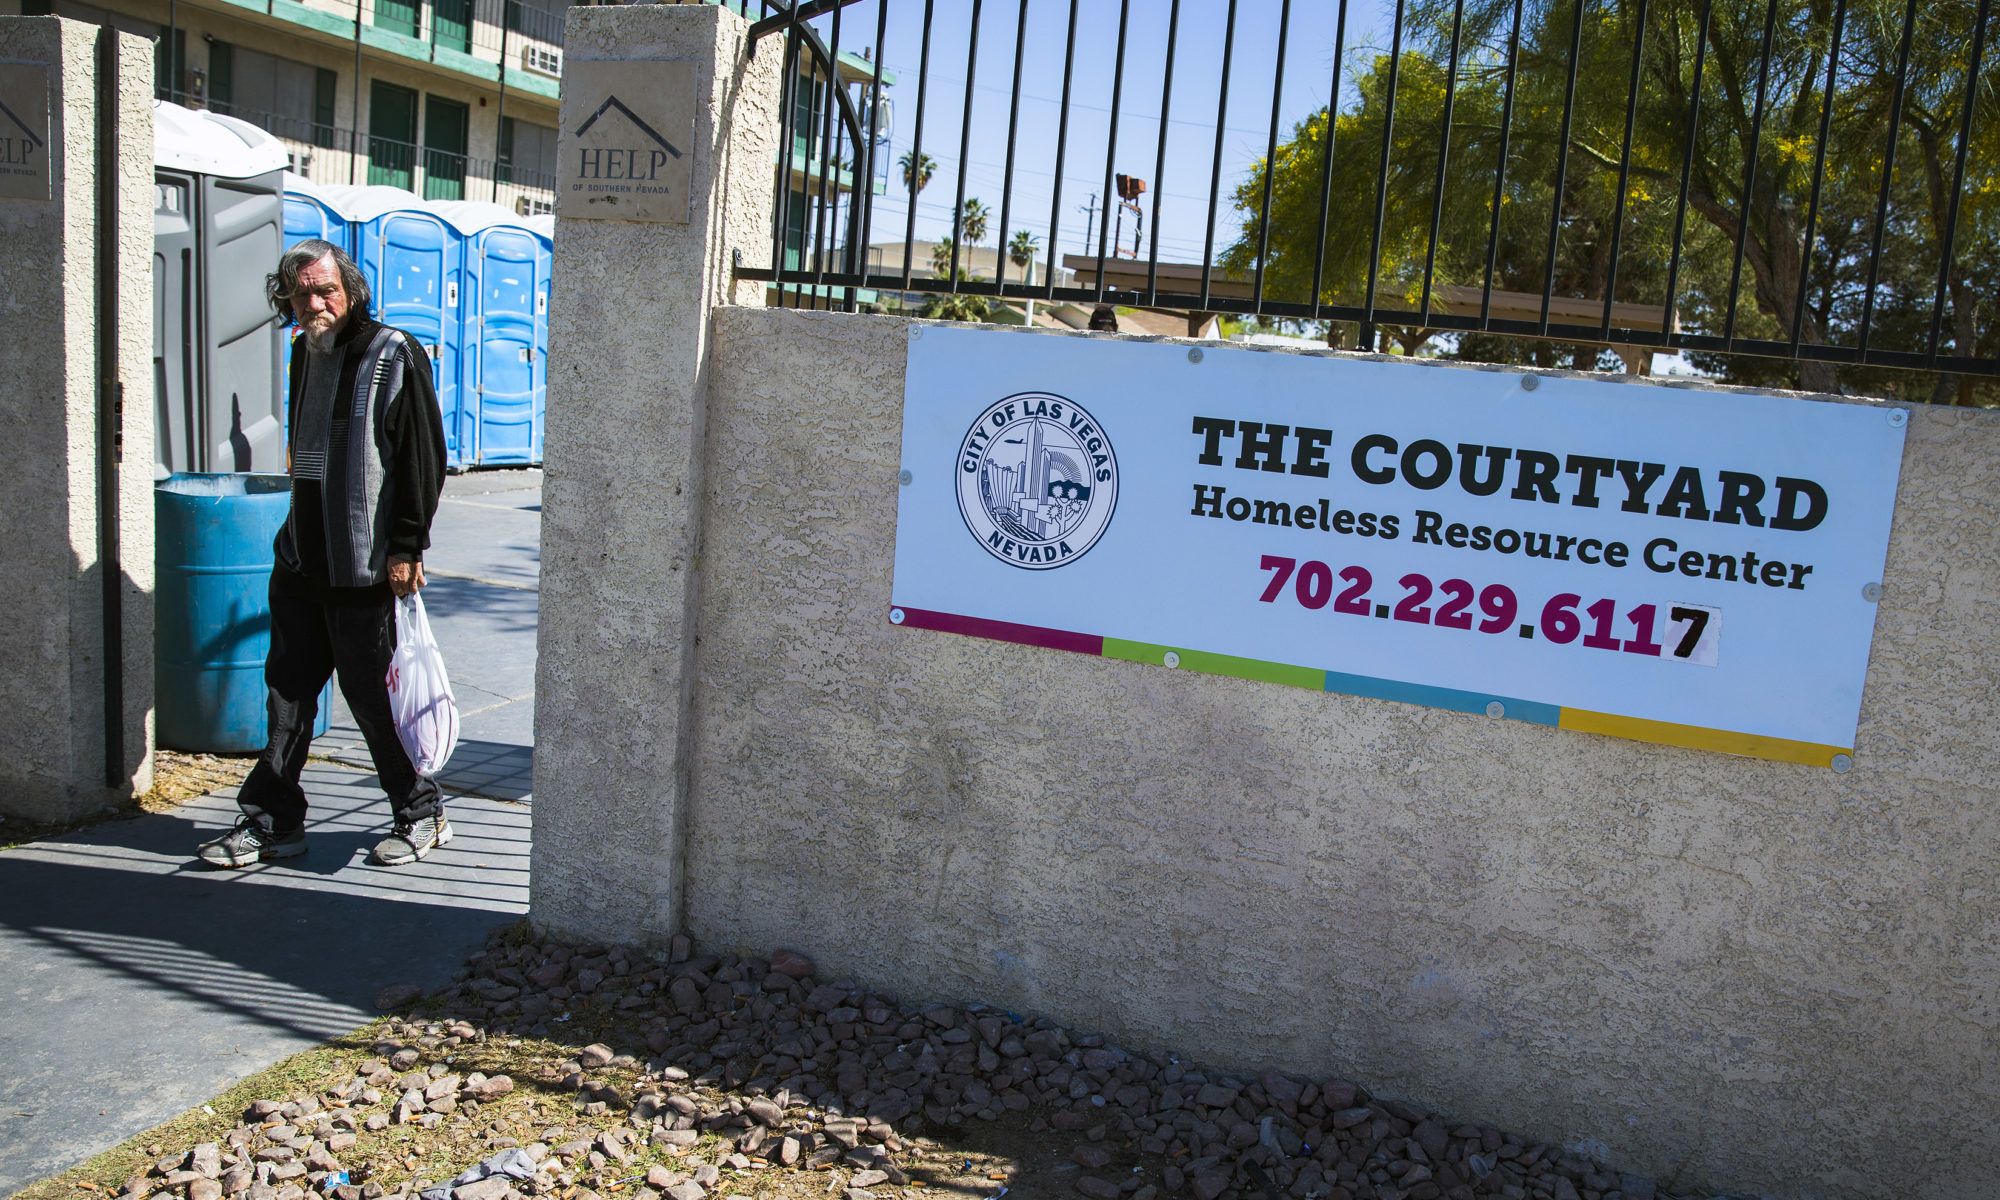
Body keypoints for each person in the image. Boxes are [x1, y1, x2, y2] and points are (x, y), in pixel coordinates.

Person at [198, 240, 449, 869]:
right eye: (300, 292)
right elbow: (309, 456)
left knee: (371, 699)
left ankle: (421, 811)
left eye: (324, 290)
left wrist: (407, 542)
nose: (313, 302)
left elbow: (423, 457)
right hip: (303, 560)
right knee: (287, 695)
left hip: (364, 564)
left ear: (352, 291)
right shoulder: (303, 353)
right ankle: (271, 820)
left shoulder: (393, 353)